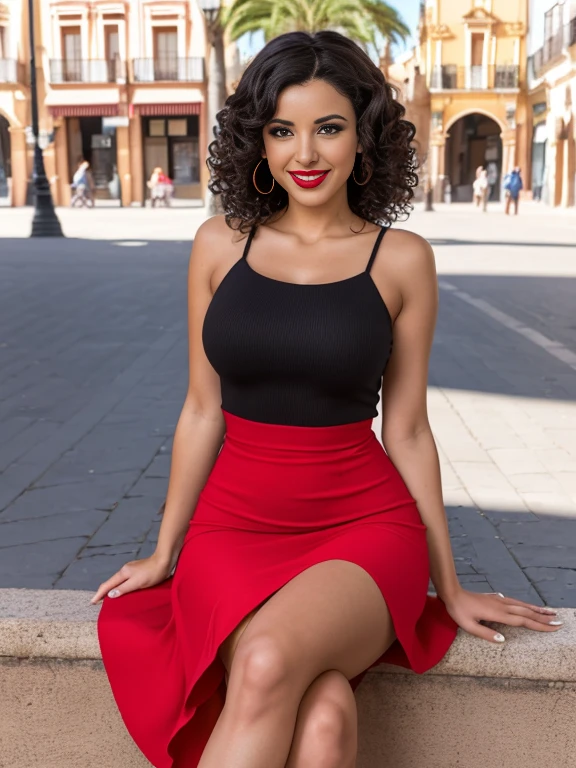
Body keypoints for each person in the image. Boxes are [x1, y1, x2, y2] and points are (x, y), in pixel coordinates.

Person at [92, 31, 563, 768]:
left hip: (364, 527)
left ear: (363, 136)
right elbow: (200, 409)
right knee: (322, 717)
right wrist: (164, 550)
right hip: (233, 526)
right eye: (283, 130)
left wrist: (450, 583)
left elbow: (407, 430)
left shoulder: (402, 258)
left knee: (267, 661)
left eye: (329, 128)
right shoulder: (220, 244)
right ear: (259, 141)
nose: (305, 154)